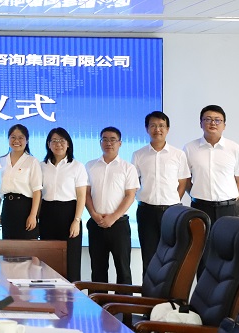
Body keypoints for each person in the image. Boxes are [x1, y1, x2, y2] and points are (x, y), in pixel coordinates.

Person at [131, 111, 190, 275]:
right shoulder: (138, 155)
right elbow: (134, 183)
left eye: (161, 126)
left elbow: (182, 183)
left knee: (172, 256)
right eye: (153, 126)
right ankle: (148, 291)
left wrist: (171, 202)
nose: (157, 129)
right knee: (148, 256)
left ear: (168, 129)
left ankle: (169, 291)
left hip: (172, 211)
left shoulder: (178, 154)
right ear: (147, 129)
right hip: (146, 211)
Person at [85, 127, 139, 285]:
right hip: (96, 223)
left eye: (113, 139)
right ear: (100, 142)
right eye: (105, 139)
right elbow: (86, 194)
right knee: (98, 270)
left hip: (119, 224)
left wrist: (113, 217)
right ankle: (98, 301)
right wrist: (94, 215)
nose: (108, 143)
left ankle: (124, 302)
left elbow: (130, 195)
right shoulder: (90, 166)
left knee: (123, 270)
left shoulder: (128, 167)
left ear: (120, 143)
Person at [184, 105, 239, 225]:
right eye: (208, 119)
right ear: (200, 123)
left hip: (228, 208)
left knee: (226, 237)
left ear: (224, 125)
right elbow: (186, 179)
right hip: (200, 207)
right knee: (201, 237)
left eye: (217, 120)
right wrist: (196, 194)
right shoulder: (189, 148)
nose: (213, 123)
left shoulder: (235, 149)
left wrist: (232, 199)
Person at [38, 127, 87, 282]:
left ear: (68, 144)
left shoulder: (77, 166)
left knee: (71, 261)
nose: (58, 144)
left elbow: (81, 196)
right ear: (48, 144)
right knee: (48, 261)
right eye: (54, 140)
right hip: (47, 213)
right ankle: (49, 295)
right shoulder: (42, 165)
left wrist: (77, 220)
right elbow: (38, 194)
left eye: (62, 140)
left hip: (69, 213)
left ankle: (72, 295)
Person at [0, 123, 41, 240]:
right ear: (8, 139)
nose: (16, 141)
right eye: (13, 137)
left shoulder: (32, 161)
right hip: (7, 208)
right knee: (8, 246)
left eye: (21, 138)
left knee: (27, 247)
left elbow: (37, 191)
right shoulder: (1, 161)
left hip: (25, 208)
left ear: (27, 141)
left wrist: (33, 215)